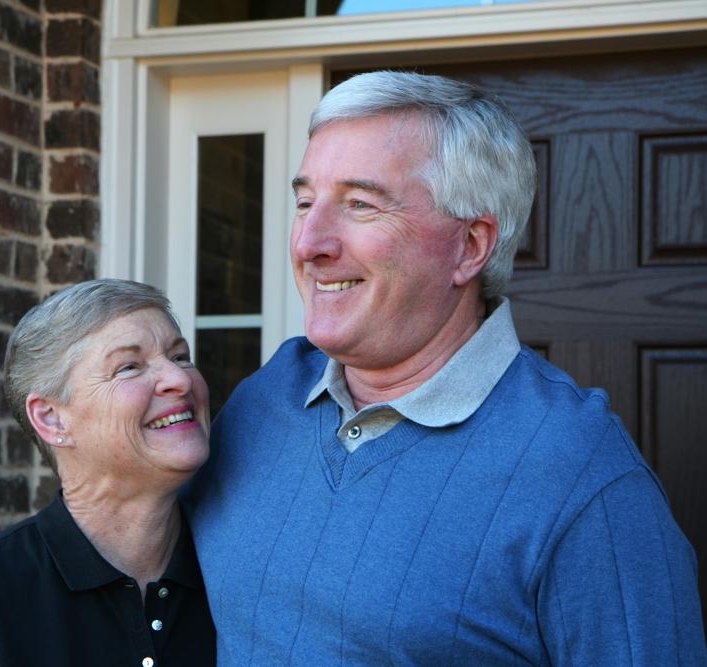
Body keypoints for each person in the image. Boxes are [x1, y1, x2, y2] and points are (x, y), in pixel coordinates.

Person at [185, 71, 706, 665]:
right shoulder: (269, 395)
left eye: (360, 204)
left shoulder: (584, 478)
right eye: (306, 202)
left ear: (470, 247)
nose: (309, 242)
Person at [0, 279, 216, 666]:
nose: (180, 380)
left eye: (180, 356)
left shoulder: (243, 569)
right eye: (128, 367)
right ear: (52, 419)